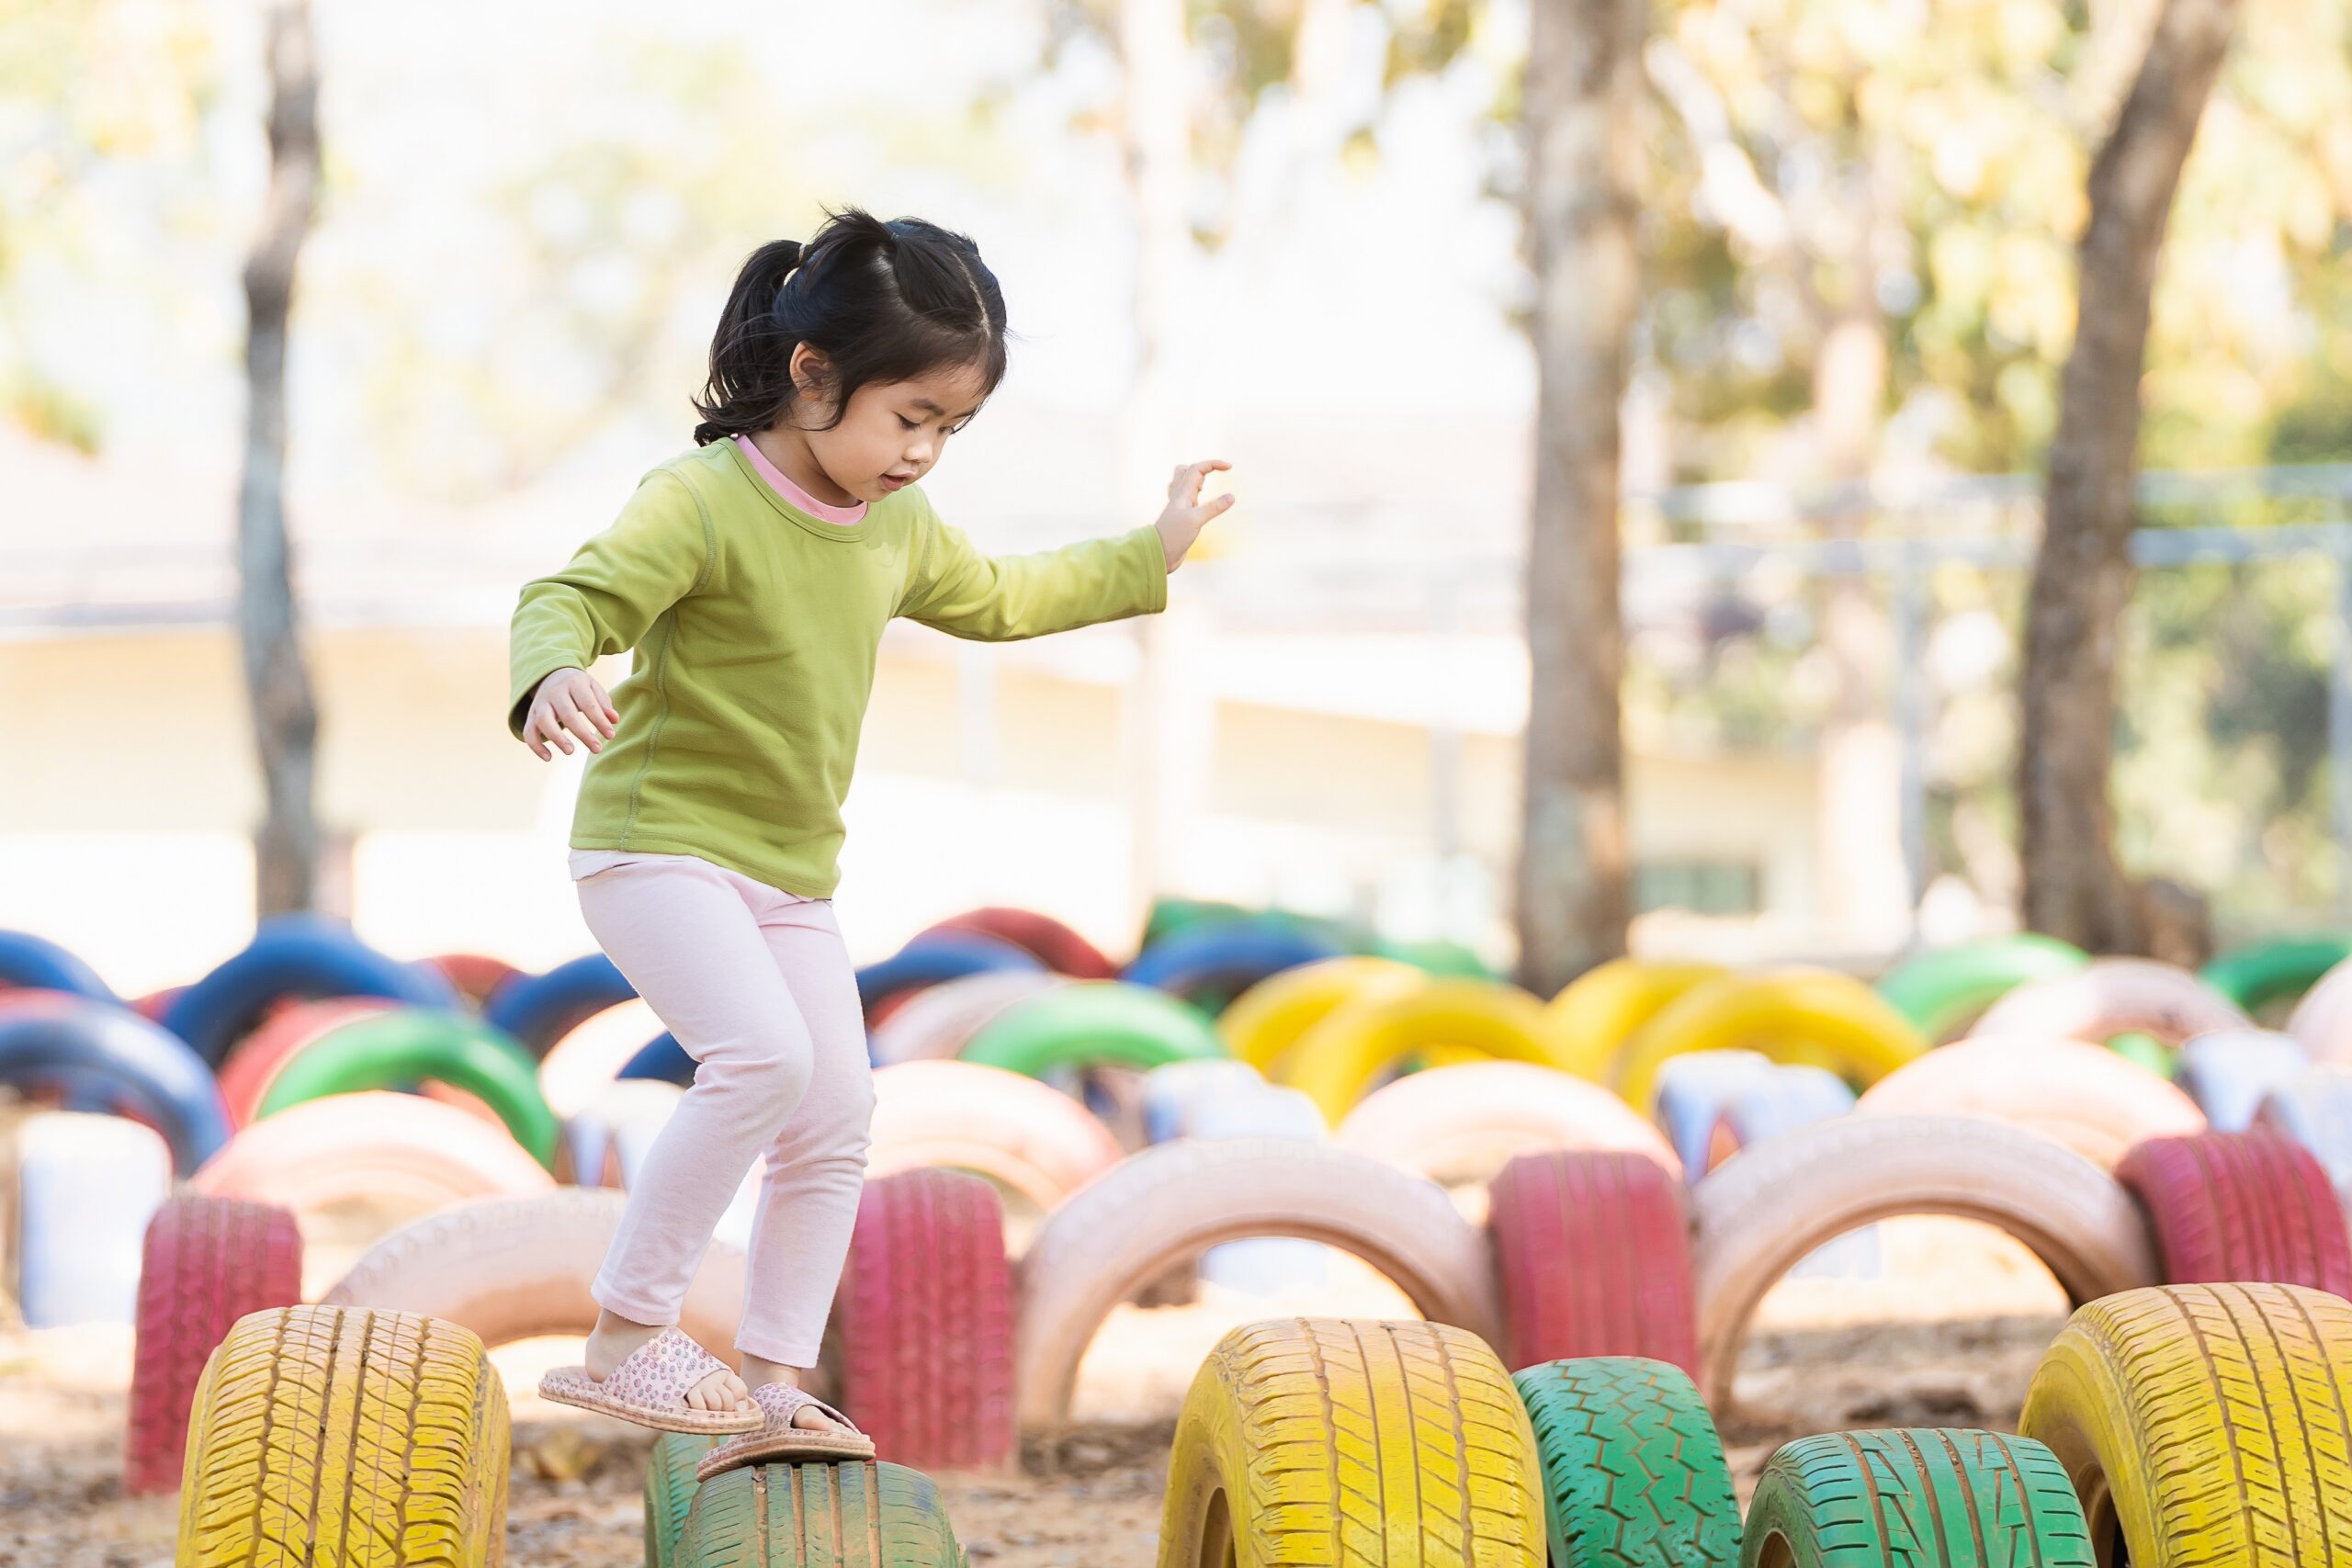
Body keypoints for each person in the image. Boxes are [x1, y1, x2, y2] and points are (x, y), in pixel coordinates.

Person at [508, 206, 1231, 1478]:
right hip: (653, 845)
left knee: (839, 1107)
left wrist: (1151, 552)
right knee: (762, 1058)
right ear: (814, 373)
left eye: (952, 429)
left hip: (786, 875)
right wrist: (552, 672)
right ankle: (628, 1330)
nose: (926, 454)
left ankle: (780, 1380)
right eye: (913, 417)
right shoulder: (702, 501)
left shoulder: (894, 529)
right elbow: (571, 596)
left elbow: (1005, 600)